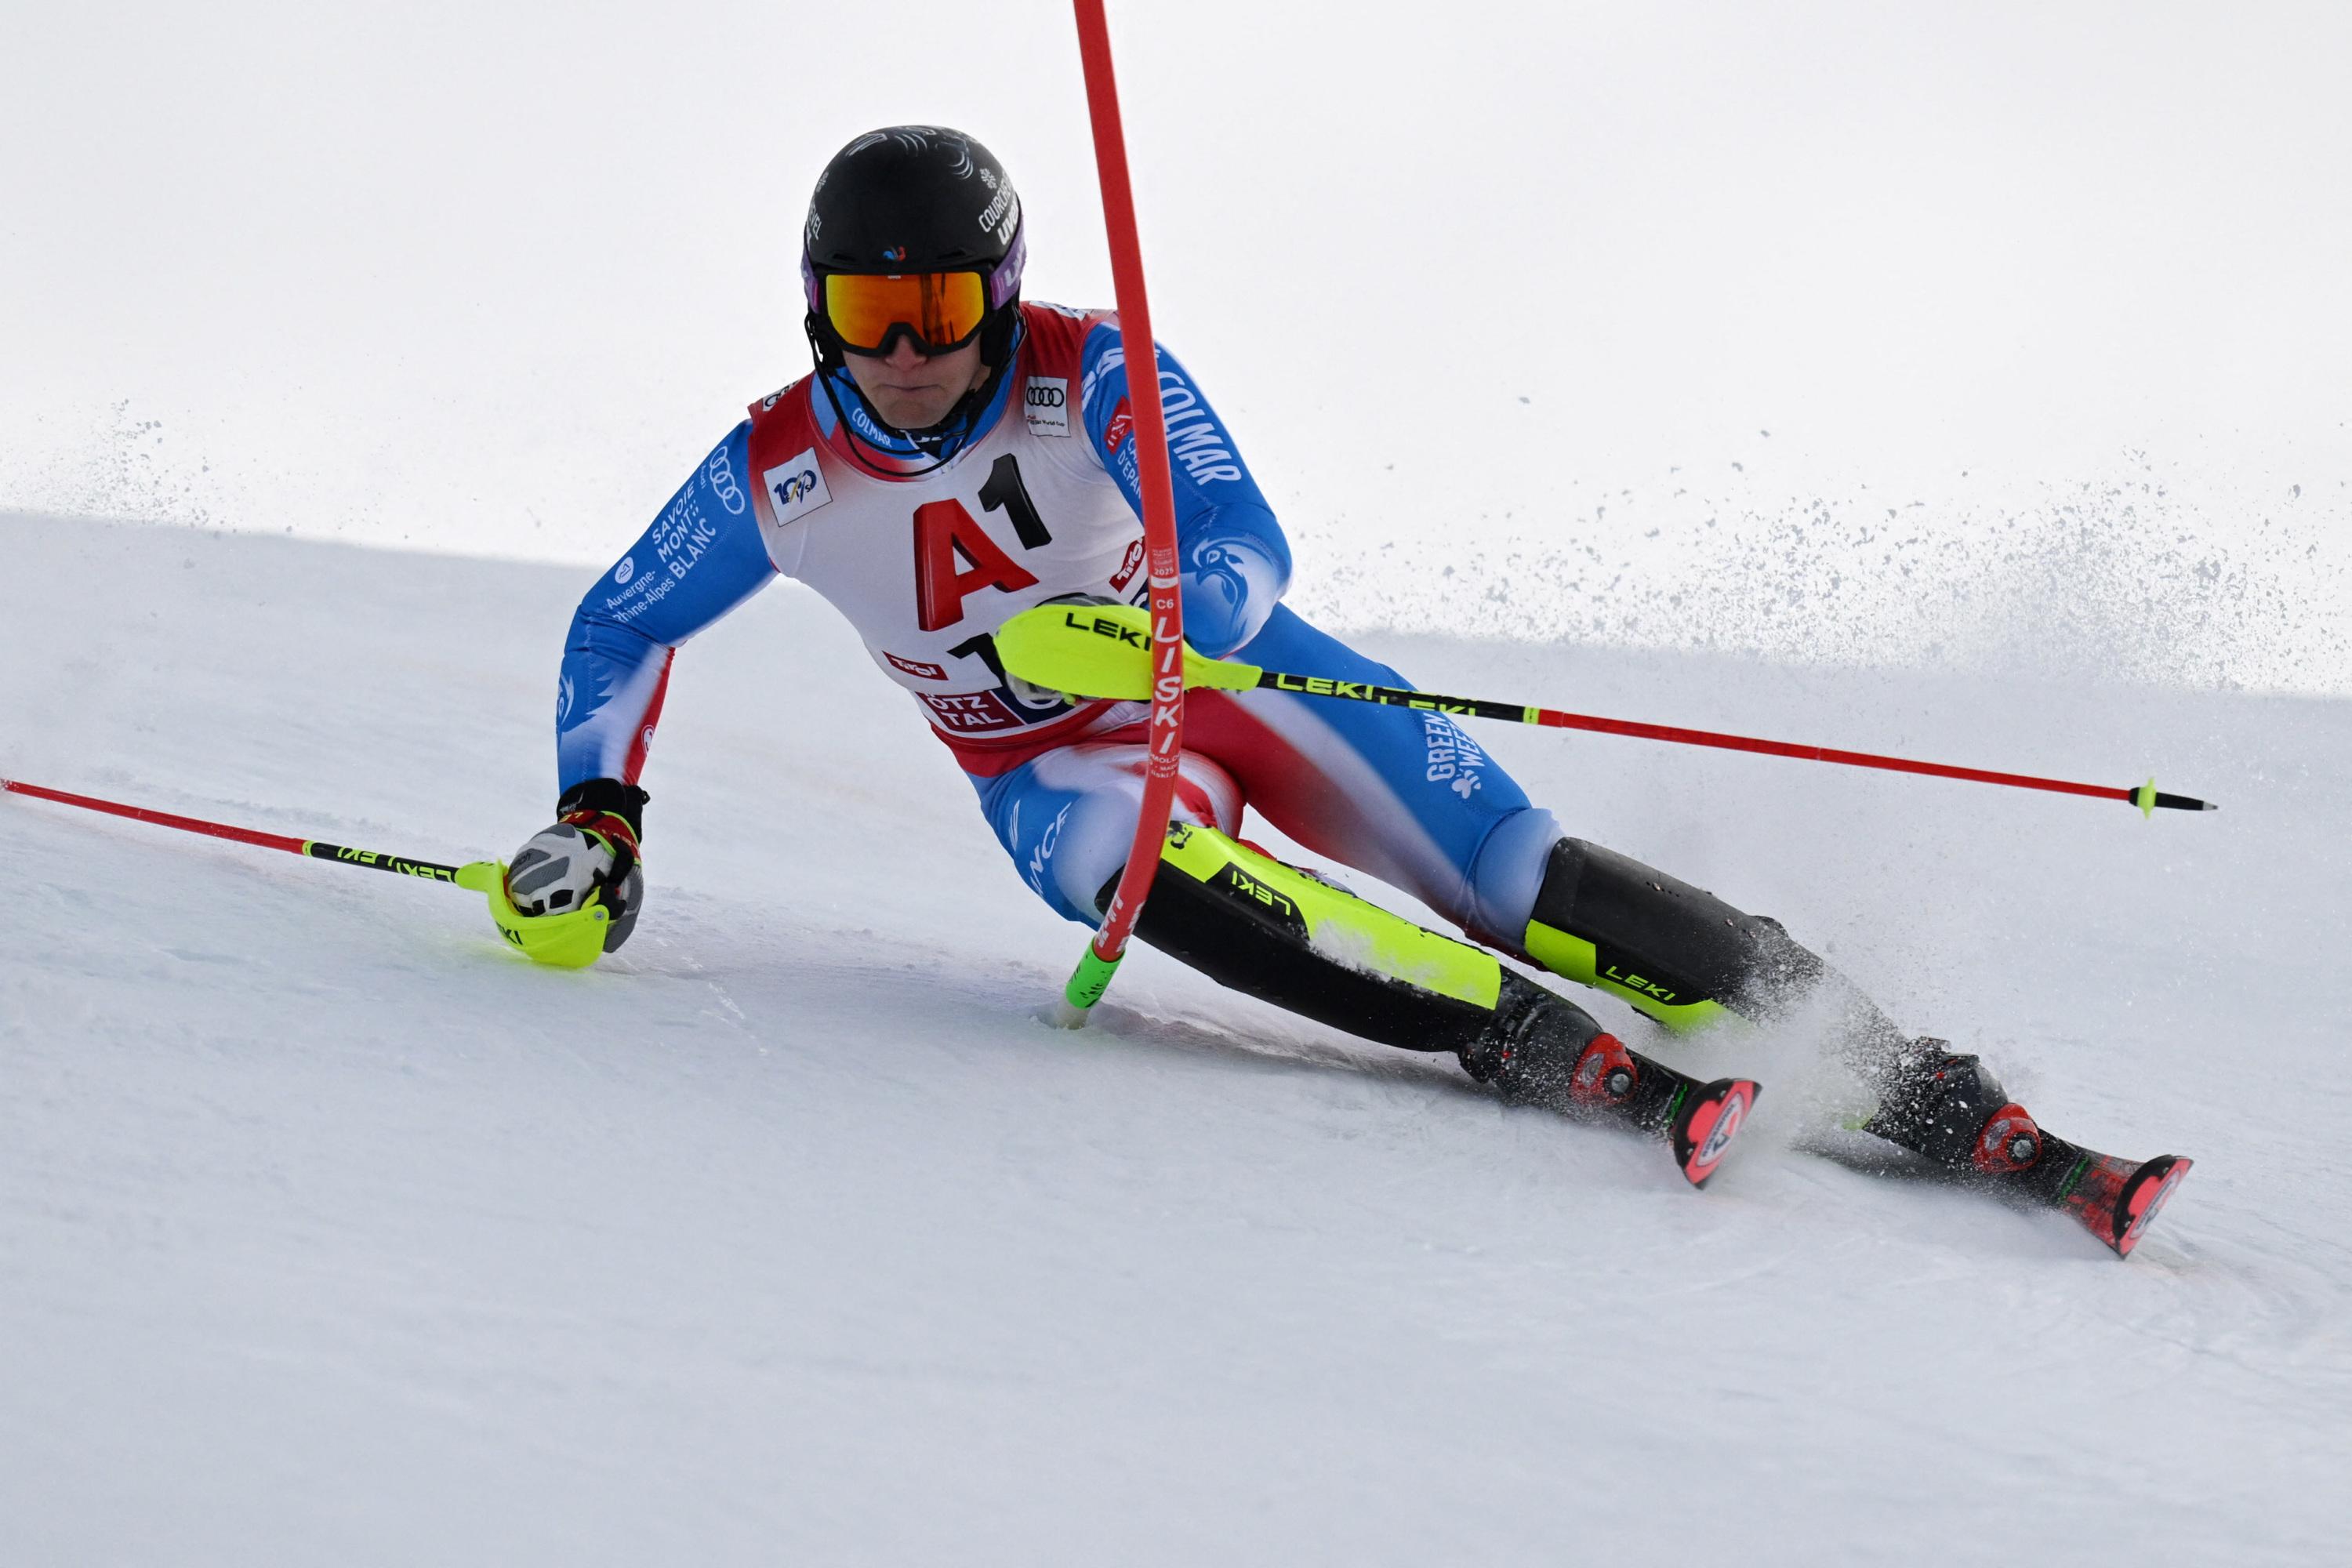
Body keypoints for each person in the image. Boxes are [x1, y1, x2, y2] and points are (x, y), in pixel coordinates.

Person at [501, 125, 2187, 1250]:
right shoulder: (781, 472)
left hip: (1219, 678)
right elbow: (616, 628)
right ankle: (1535, 1049)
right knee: (1121, 861)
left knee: (1529, 877)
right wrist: (601, 816)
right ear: (820, 308)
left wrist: (1183, 603)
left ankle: (1940, 1094)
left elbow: (1241, 533)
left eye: (941, 300)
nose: (909, 346)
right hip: (1057, 768)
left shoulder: (1092, 368)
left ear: (996, 291)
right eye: (871, 306)